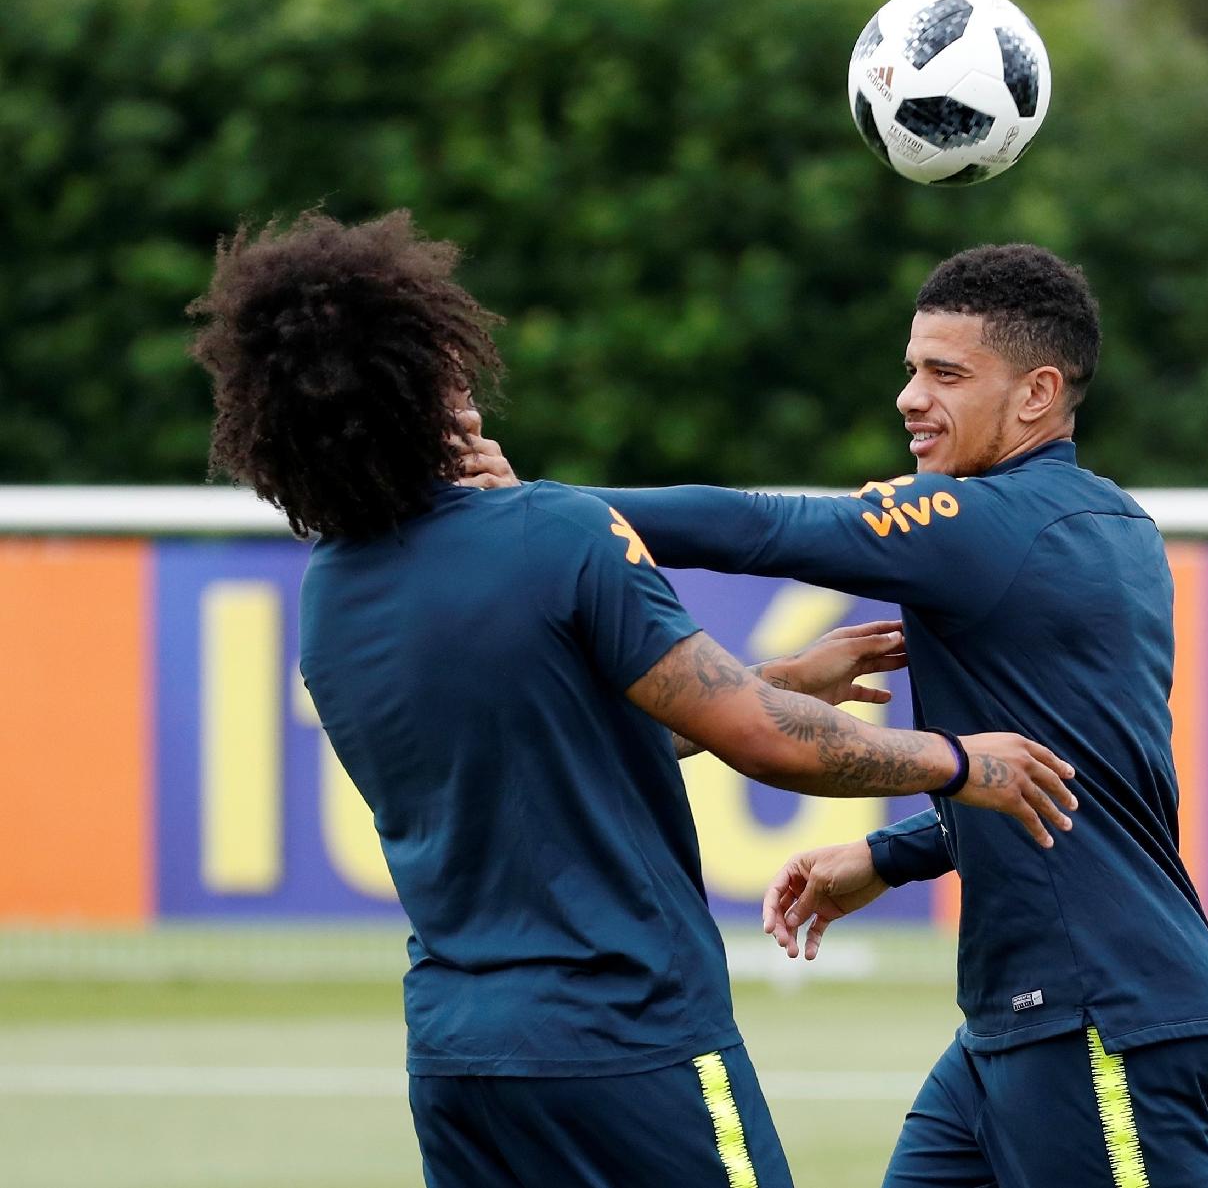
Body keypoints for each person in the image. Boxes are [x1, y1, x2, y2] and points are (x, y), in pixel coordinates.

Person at [189, 210, 1078, 1188]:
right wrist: (960, 761)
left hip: (458, 1058)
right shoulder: (553, 533)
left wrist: (779, 680)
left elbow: (564, 746)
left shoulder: (332, 593)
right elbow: (761, 742)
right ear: (424, 378)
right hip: (628, 1034)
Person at [462, 243, 1208, 1186]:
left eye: (945, 374)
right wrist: (888, 854)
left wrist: (533, 510)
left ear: (1036, 394)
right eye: (911, 368)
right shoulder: (1113, 523)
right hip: (1024, 1019)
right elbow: (1054, 775)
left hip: (1095, 1011)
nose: (910, 396)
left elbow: (759, 526)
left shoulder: (985, 522)